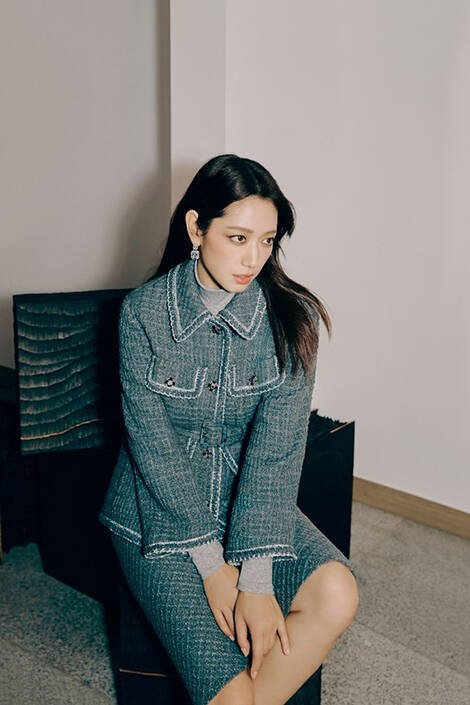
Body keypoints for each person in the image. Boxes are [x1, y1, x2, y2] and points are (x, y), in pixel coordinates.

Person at [98, 154, 359, 705]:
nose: (253, 259)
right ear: (196, 228)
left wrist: (255, 578)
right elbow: (153, 452)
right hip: (156, 514)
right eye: (238, 238)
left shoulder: (291, 320)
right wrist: (214, 568)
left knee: (337, 591)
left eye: (266, 241)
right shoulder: (142, 313)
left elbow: (276, 454)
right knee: (231, 694)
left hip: (247, 498)